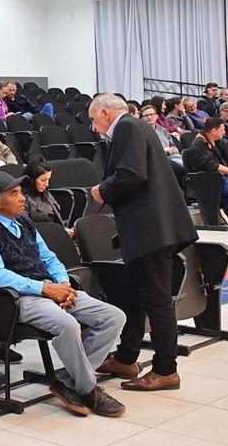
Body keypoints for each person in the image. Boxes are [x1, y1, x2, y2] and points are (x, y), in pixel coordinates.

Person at [0, 172, 126, 417]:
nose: (22, 198)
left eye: (21, 192)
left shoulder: (25, 223)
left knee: (114, 317)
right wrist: (43, 288)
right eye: (14, 194)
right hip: (19, 298)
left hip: (51, 288)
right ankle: (88, 389)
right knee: (68, 325)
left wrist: (63, 284)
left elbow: (49, 258)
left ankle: (70, 381)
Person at [87, 93, 198, 392]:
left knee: (157, 301)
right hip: (148, 230)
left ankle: (166, 370)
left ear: (106, 113)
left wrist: (102, 190)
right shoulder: (137, 127)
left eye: (94, 119)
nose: (94, 126)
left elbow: (131, 174)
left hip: (151, 231)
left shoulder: (127, 127)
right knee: (129, 295)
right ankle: (126, 357)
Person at [21, 158, 70, 234]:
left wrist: (64, 231)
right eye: (43, 180)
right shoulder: (22, 198)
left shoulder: (46, 194)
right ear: (32, 180)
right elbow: (26, 227)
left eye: (48, 180)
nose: (47, 184)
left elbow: (57, 221)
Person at [141, 104, 186, 183]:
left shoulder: (163, 130)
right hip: (161, 160)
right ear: (141, 118)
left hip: (174, 156)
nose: (149, 117)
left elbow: (174, 147)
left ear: (156, 116)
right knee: (184, 168)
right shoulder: (141, 133)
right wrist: (163, 151)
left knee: (193, 165)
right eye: (146, 115)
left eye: (151, 114)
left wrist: (172, 150)